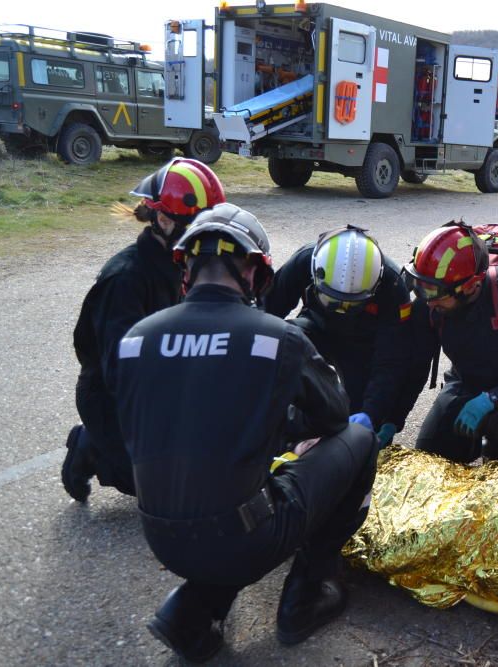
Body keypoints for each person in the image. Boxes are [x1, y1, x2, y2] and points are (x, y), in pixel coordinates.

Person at [114, 203, 378, 661]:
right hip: (240, 539)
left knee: (224, 489)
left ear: (186, 269)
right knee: (358, 439)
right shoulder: (278, 338)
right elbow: (336, 416)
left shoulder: (137, 338)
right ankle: (305, 595)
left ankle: (193, 609)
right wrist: (293, 427)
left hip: (159, 535)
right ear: (255, 272)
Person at [61, 158, 226, 502]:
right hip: (109, 394)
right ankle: (90, 447)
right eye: (198, 230)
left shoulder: (180, 262)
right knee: (160, 485)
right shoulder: (126, 280)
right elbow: (120, 370)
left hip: (162, 378)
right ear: (164, 220)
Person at [400, 222, 498, 465]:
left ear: (471, 286)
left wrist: (492, 399)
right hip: (466, 383)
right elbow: (413, 367)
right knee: (431, 455)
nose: (429, 302)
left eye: (437, 295)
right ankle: (468, 443)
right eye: (423, 289)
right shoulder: (431, 301)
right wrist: (391, 418)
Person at [263, 225, 413, 447]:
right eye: (333, 301)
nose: (341, 309)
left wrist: (372, 413)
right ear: (316, 276)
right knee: (283, 346)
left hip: (362, 345)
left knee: (358, 424)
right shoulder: (305, 261)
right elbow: (265, 316)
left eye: (352, 304)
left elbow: (390, 361)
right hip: (316, 326)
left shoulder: (392, 286)